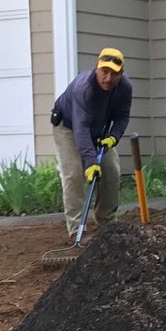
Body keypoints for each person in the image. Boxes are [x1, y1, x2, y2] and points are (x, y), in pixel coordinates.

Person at [50, 46, 132, 238]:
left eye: (114, 74)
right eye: (104, 72)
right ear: (97, 68)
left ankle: (107, 223)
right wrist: (91, 162)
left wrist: (113, 137)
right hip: (68, 127)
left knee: (111, 170)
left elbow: (122, 116)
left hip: (98, 130)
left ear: (121, 74)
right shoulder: (84, 88)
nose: (108, 78)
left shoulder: (125, 88)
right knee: (74, 174)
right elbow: (81, 128)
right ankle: (76, 229)